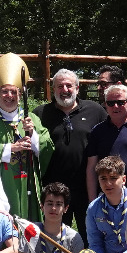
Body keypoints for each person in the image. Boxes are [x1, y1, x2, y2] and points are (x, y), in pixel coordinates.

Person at [38, 69, 108, 224]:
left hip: (87, 187)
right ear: (53, 89)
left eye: (69, 86)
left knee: (89, 234)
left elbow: (114, 127)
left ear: (77, 88)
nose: (64, 90)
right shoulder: (41, 114)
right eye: (60, 86)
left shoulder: (95, 111)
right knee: (56, 237)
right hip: (53, 190)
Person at [0, 73, 48, 222]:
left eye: (13, 91)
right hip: (2, 181)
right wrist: (10, 148)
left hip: (28, 179)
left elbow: (47, 145)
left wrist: (32, 133)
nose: (9, 96)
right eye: (4, 91)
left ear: (20, 94)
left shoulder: (32, 118)